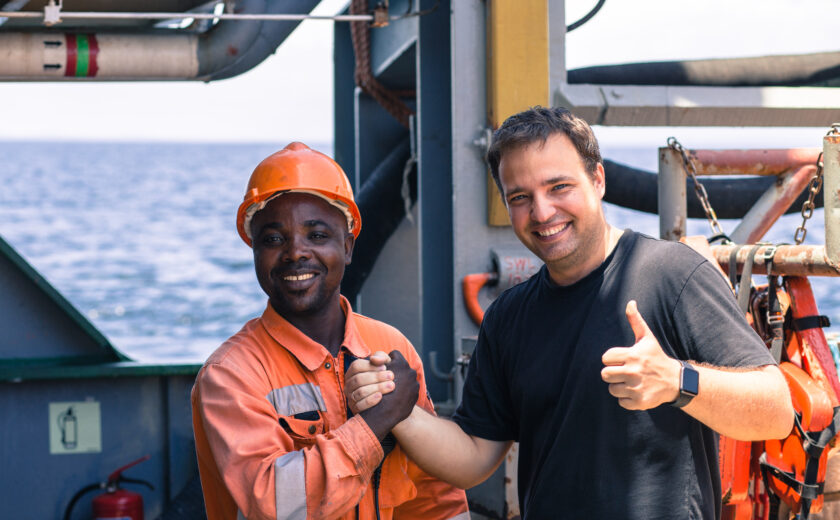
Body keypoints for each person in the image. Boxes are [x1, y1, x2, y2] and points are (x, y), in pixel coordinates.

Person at [344, 107, 795, 519]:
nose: (542, 212)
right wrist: (399, 409)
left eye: (559, 187)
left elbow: (775, 410)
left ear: (598, 179)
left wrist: (677, 381)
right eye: (520, 197)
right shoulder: (509, 317)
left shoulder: (673, 273)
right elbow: (474, 457)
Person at [191, 142, 469, 520]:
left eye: (317, 235)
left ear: (348, 246)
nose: (295, 252)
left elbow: (433, 495)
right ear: (254, 251)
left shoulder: (390, 346)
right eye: (273, 239)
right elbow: (275, 505)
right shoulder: (231, 375)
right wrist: (376, 423)